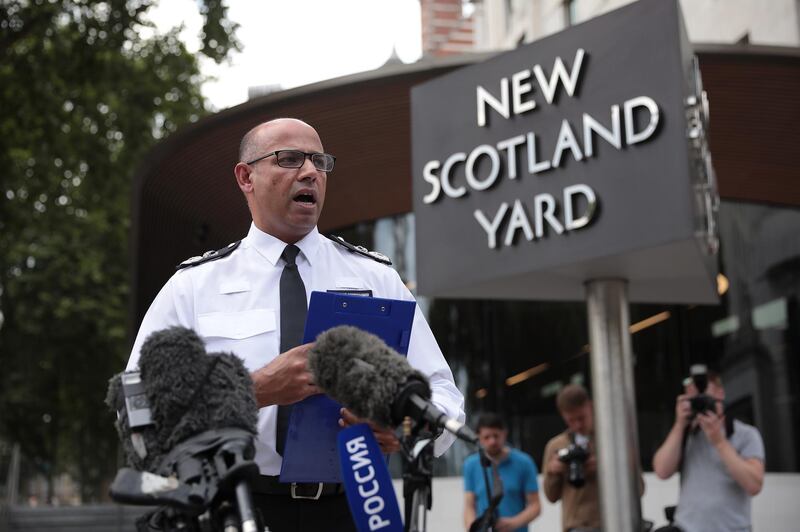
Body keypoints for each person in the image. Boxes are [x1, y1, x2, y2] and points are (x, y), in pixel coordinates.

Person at [126, 118, 465, 531]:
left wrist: (403, 429)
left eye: (318, 161)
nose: (310, 172)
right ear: (245, 177)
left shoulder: (375, 278)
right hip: (237, 508)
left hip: (355, 507)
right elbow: (138, 411)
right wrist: (254, 390)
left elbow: (442, 395)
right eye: (288, 159)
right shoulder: (193, 286)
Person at [652, 370, 764, 532]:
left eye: (704, 397)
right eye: (695, 399)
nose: (700, 403)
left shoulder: (745, 434)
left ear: (721, 393)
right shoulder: (686, 434)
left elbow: (754, 484)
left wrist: (719, 442)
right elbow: (662, 471)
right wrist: (679, 425)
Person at [463, 413, 541, 532]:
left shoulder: (524, 462)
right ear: (478, 437)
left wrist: (513, 523)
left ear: (504, 433)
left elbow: (535, 505)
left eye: (496, 435)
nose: (492, 441)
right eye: (487, 437)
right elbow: (469, 506)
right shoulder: (471, 465)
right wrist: (473, 527)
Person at [542, 384, 600, 532]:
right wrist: (553, 473)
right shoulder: (556, 445)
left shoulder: (610, 440)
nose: (578, 425)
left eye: (581, 418)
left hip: (612, 522)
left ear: (590, 406)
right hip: (576, 526)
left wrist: (604, 468)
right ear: (562, 415)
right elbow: (551, 497)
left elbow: (639, 489)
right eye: (571, 420)